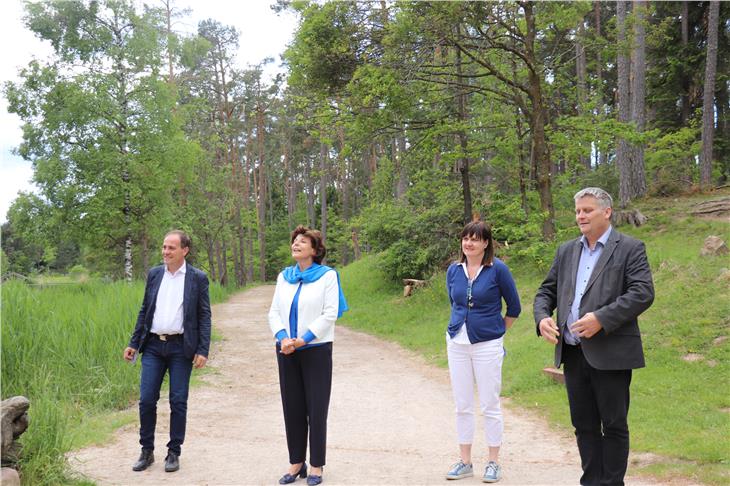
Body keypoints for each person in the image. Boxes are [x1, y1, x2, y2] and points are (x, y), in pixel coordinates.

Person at [534, 187, 654, 486]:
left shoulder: (630, 247)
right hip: (573, 353)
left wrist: (602, 318)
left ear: (607, 212)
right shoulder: (566, 250)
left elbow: (642, 293)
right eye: (577, 211)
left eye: (587, 210)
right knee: (584, 425)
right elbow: (546, 291)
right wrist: (542, 318)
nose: (580, 216)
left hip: (612, 353)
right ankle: (591, 481)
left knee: (613, 425)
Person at [123, 230, 211, 473]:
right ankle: (146, 450)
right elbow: (145, 310)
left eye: (171, 248)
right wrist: (134, 343)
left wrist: (203, 349)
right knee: (147, 399)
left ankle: (174, 452)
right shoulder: (154, 274)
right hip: (152, 345)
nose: (165, 252)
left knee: (178, 400)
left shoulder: (197, 278)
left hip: (181, 348)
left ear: (185, 250)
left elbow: (204, 315)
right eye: (163, 247)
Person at [268, 225, 348, 486]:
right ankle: (296, 462)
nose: (296, 244)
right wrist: (283, 339)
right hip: (286, 349)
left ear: (315, 250)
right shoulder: (284, 277)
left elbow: (329, 313)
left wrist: (303, 340)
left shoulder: (327, 276)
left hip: (315, 349)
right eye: (295, 241)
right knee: (292, 407)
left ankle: (316, 466)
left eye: (303, 241)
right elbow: (274, 312)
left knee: (316, 408)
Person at [444, 221, 521, 483]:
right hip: (457, 342)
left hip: (487, 344)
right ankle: (465, 461)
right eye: (465, 238)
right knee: (462, 404)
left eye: (475, 239)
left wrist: (497, 333)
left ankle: (493, 462)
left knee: (490, 403)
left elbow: (514, 308)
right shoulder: (454, 270)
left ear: (485, 243)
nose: (469, 243)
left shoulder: (498, 270)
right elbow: (454, 303)